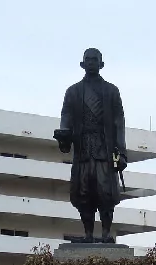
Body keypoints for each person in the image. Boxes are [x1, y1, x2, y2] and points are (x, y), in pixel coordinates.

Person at [54, 48, 127, 243]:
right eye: (88, 59)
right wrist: (64, 135)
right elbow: (66, 118)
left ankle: (105, 234)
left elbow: (119, 123)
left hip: (105, 149)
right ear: (82, 63)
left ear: (101, 64)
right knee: (83, 191)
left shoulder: (111, 91)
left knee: (106, 193)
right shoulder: (73, 92)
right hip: (83, 149)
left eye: (95, 60)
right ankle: (87, 234)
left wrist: (122, 152)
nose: (92, 62)